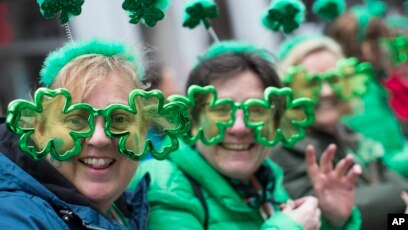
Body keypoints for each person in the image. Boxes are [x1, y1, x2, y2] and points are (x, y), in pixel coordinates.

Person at [130, 41, 362, 229]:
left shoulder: (266, 181)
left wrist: (335, 221)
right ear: (194, 118)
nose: (239, 128)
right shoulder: (165, 185)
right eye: (221, 110)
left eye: (257, 110)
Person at [0, 39, 155, 229]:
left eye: (120, 120)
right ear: (40, 129)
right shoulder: (16, 219)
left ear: (143, 130)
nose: (99, 138)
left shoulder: (140, 210)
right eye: (75, 120)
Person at [270, 35, 408, 230]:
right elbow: (329, 214)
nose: (326, 91)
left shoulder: (347, 134)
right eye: (311, 83)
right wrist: (399, 202)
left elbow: (394, 185)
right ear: (288, 89)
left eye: (334, 79)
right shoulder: (286, 148)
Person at [325, 9, 406, 154]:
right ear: (365, 47)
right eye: (382, 41)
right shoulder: (362, 92)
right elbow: (384, 159)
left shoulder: (365, 84)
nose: (387, 48)